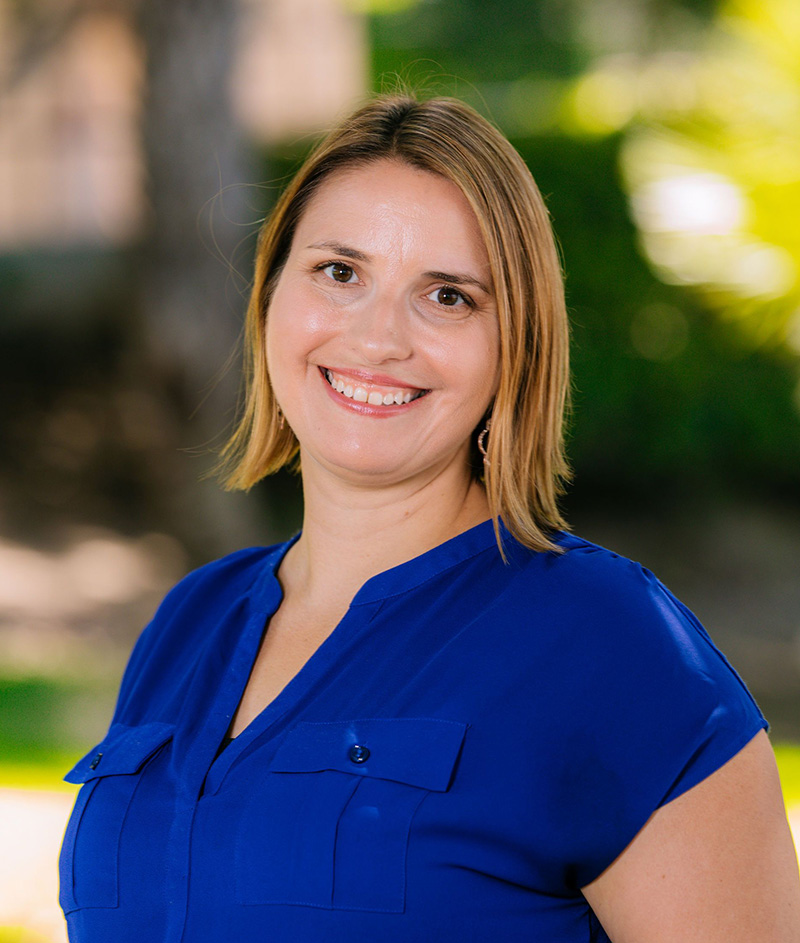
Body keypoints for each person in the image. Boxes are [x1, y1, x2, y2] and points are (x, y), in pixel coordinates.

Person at [58, 95, 800, 943]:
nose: (378, 338)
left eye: (447, 296)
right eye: (340, 272)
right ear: (271, 295)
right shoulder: (188, 623)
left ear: (515, 343)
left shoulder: (610, 643)